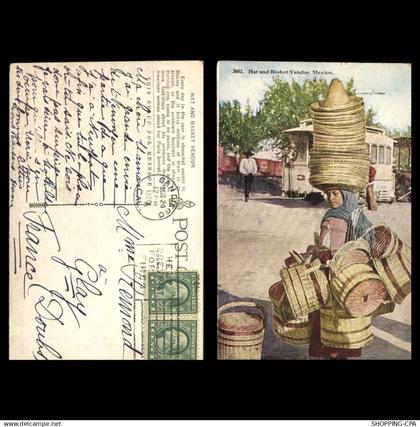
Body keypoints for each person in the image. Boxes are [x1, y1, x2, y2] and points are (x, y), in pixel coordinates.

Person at [308, 188, 374, 360]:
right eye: (328, 194)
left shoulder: (357, 217)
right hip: (326, 268)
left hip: (346, 271)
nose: (330, 197)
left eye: (335, 193)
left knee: (343, 315)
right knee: (324, 312)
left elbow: (367, 243)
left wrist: (350, 259)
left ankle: (340, 353)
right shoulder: (329, 214)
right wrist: (313, 253)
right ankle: (327, 352)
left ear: (346, 195)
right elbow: (320, 244)